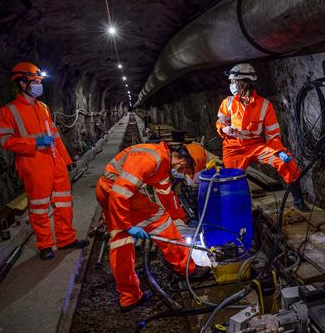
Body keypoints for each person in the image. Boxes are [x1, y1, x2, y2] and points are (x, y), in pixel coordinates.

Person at [95, 141, 210, 312]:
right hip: (118, 194)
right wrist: (127, 225)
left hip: (107, 191)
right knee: (161, 222)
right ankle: (187, 269)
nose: (183, 174)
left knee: (121, 244)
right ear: (184, 161)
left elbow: (166, 194)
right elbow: (120, 193)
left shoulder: (163, 165)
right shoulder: (151, 159)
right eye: (186, 170)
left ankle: (129, 297)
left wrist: (181, 217)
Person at [0, 62, 88, 260]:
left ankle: (66, 239)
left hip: (55, 161)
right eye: (35, 81)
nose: (39, 84)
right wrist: (33, 142)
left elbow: (54, 135)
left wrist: (66, 159)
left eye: (40, 81)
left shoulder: (44, 107)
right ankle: (45, 245)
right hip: (33, 162)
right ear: (22, 83)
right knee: (39, 207)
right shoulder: (9, 110)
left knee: (64, 202)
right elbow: (6, 140)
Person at [216, 63, 310, 211]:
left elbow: (273, 135)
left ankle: (298, 201)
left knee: (286, 162)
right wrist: (224, 129)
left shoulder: (265, 105)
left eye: (234, 82)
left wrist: (279, 151)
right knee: (231, 179)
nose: (232, 85)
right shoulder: (228, 103)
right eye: (232, 82)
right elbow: (220, 122)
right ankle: (237, 208)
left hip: (255, 146)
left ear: (245, 83)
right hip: (233, 147)